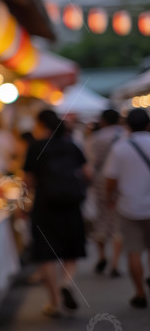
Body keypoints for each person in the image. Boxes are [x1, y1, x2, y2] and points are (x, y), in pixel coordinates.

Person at [23, 109, 90, 318]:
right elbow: (88, 173)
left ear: (41, 124)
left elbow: (27, 182)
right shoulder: (71, 146)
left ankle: (54, 302)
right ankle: (66, 283)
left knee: (46, 253)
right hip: (71, 206)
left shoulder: (35, 147)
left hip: (44, 206)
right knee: (71, 249)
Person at [104, 108, 150, 309]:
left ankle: (140, 293)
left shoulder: (120, 148)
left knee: (134, 251)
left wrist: (109, 198)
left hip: (129, 206)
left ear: (128, 126)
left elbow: (111, 179)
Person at [85, 109, 125, 276]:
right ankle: (115, 262)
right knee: (118, 222)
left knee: (100, 219)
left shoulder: (95, 138)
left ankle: (102, 256)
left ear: (103, 121)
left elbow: (88, 165)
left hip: (100, 182)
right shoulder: (126, 136)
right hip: (122, 182)